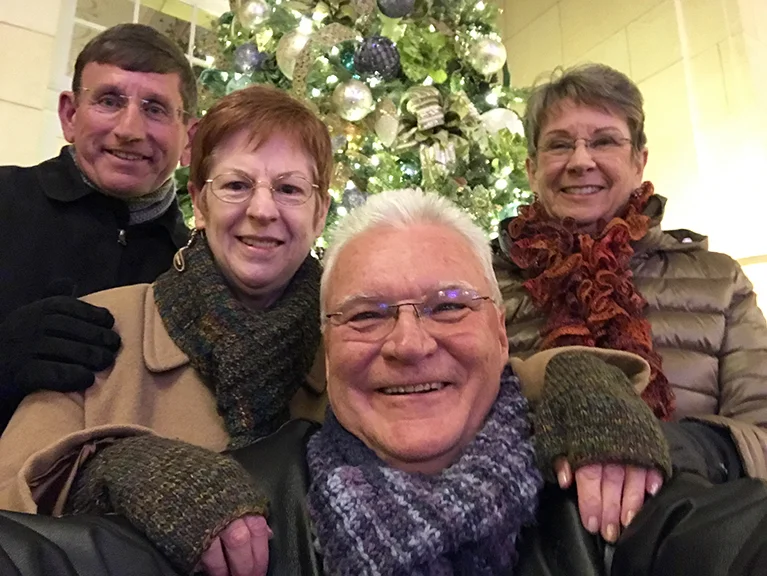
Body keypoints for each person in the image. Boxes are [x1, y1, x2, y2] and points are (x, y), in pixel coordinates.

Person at [2, 190, 767, 576]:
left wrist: (691, 443)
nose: (408, 343)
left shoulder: (604, 495)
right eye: (365, 315)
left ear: (501, 333)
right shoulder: (246, 512)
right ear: (327, 346)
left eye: (448, 306)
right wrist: (105, 470)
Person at [0, 84, 331, 576]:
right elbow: (12, 504)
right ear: (199, 203)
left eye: (289, 189)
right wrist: (110, 470)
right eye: (236, 185)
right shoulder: (100, 325)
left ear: (320, 213)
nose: (263, 210)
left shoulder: (352, 354)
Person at [492, 62, 767, 543]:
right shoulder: (485, 285)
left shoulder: (719, 282)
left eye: (604, 141)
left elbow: (760, 433)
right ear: (532, 168)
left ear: (639, 161)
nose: (581, 160)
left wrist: (673, 447)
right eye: (559, 144)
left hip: (696, 538)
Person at [0, 23, 196, 432]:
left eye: (155, 109)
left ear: (189, 140)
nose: (129, 130)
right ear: (70, 115)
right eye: (109, 100)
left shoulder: (193, 268)